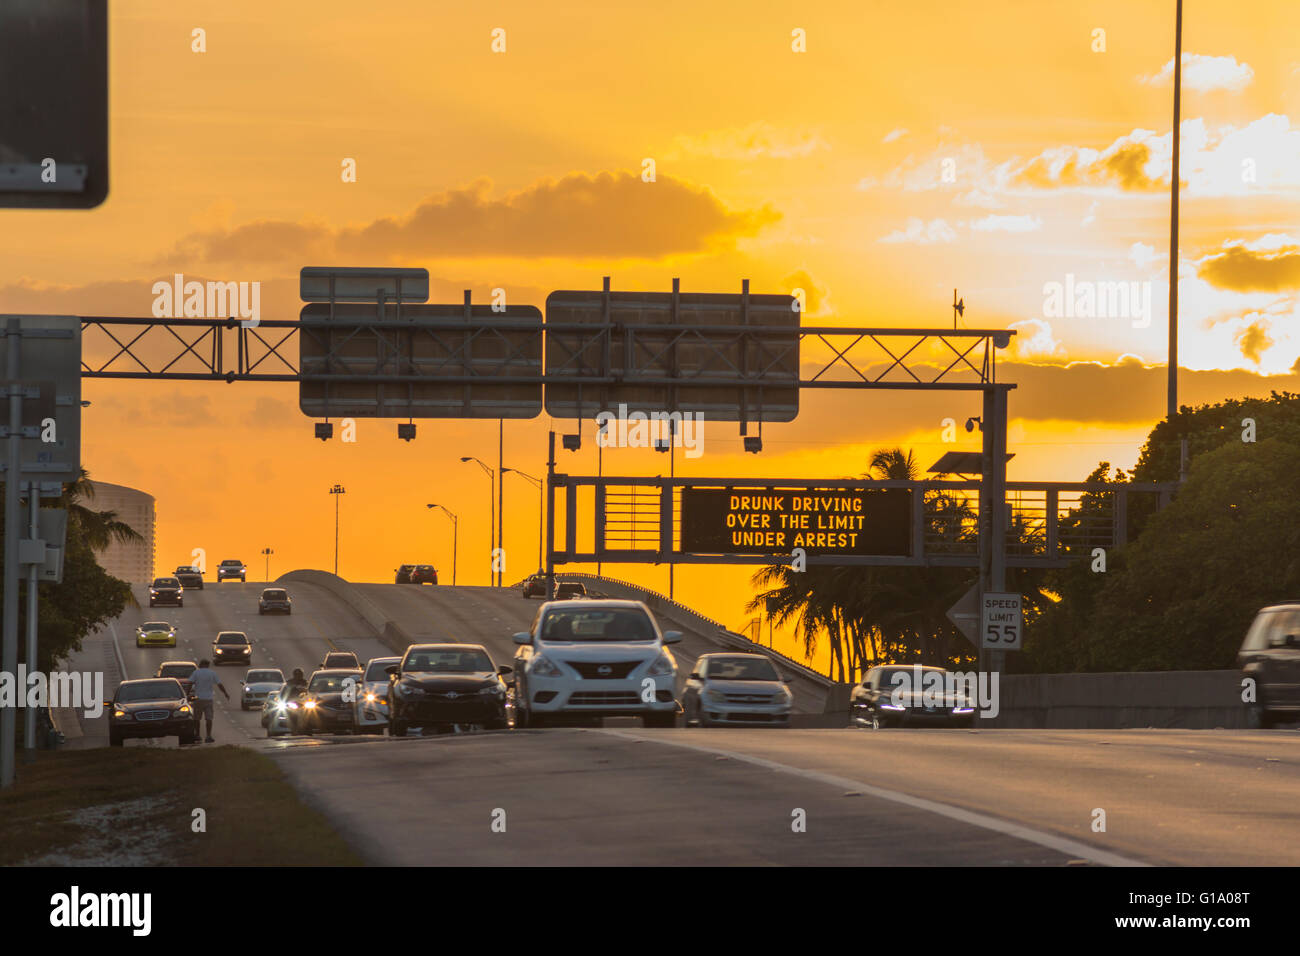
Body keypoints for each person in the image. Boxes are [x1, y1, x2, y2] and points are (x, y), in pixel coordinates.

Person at [187, 659, 229, 743]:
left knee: (197, 718)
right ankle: (208, 736)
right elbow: (219, 684)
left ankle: (197, 735)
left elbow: (190, 683)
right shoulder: (212, 673)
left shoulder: (196, 673)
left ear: (201, 664)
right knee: (209, 718)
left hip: (198, 699)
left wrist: (186, 694)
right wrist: (225, 693)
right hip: (208, 699)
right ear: (207, 665)